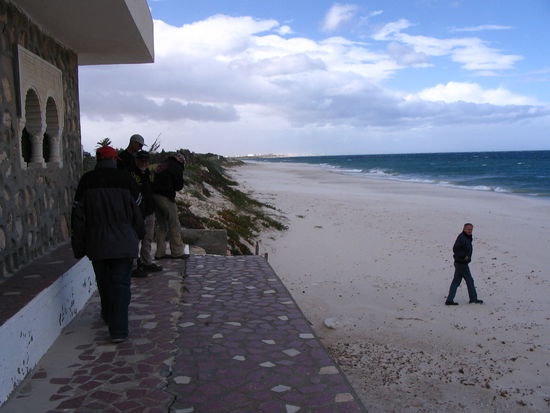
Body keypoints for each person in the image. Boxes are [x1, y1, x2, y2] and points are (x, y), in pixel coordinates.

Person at [71, 145, 144, 343]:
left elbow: (78, 217)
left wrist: (78, 246)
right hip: (123, 242)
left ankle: (108, 315)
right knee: (121, 285)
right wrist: (139, 234)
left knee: (104, 283)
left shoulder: (87, 181)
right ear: (114, 160)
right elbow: (138, 211)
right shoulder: (126, 180)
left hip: (97, 243)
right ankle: (119, 330)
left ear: (97, 159)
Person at [131, 150, 162, 276]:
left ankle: (146, 262)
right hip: (138, 212)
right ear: (137, 160)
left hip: (149, 210)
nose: (144, 163)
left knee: (148, 238)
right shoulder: (132, 174)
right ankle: (134, 265)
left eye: (146, 160)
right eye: (142, 160)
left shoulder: (148, 173)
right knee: (135, 239)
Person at [152, 152, 186, 259]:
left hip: (154, 195)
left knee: (161, 225)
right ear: (181, 160)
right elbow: (179, 185)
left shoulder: (163, 164)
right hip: (166, 197)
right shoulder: (177, 166)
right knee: (174, 224)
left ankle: (160, 253)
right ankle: (177, 252)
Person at [445, 223, 483, 305]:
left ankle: (449, 300)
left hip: (460, 263)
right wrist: (464, 256)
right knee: (470, 280)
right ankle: (473, 299)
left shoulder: (467, 237)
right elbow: (455, 249)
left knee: (456, 281)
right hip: (461, 263)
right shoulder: (462, 238)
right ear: (464, 229)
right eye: (468, 229)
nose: (470, 231)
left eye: (471, 229)